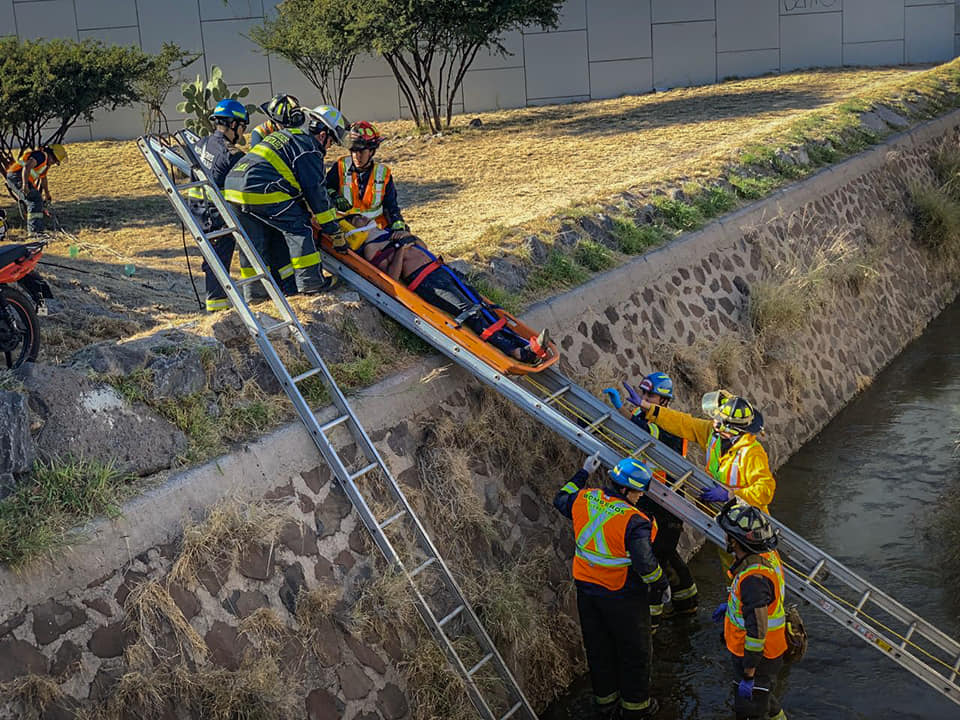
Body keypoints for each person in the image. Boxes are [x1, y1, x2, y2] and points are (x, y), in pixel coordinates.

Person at [336, 216, 549, 364]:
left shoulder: (391, 233)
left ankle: (526, 345)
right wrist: (401, 249)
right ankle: (517, 352)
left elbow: (423, 247)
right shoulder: (371, 248)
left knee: (483, 307)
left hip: (440, 270)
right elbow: (390, 277)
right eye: (357, 220)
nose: (364, 218)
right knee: (470, 313)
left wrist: (409, 239)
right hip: (426, 282)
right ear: (353, 230)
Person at [554, 454, 668, 719]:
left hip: (586, 590)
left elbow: (560, 498)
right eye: (638, 492)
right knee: (635, 652)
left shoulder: (584, 498)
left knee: (598, 648)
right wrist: (661, 586)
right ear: (626, 489)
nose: (640, 497)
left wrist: (582, 473)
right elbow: (647, 566)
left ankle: (605, 704)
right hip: (621, 593)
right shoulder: (636, 521)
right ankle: (636, 709)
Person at [603, 372, 698, 627]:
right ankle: (687, 602)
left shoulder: (671, 427)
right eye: (643, 393)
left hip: (668, 501)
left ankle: (651, 623)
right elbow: (638, 424)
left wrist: (623, 411)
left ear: (664, 401)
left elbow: (642, 431)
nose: (644, 398)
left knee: (657, 558)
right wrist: (622, 408)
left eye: (649, 395)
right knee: (665, 553)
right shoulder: (651, 419)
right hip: (652, 495)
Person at [224, 104, 347, 300]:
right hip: (260, 188)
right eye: (331, 142)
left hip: (232, 187)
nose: (329, 147)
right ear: (323, 135)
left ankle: (255, 294)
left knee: (253, 243)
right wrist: (333, 230)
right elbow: (316, 194)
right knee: (300, 227)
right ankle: (311, 283)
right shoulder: (310, 150)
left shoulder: (290, 136)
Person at [635, 388, 775, 513]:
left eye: (718, 420)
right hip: (719, 513)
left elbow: (765, 490)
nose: (714, 422)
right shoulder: (713, 433)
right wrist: (649, 408)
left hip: (746, 519)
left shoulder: (752, 453)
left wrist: (731, 495)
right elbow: (683, 423)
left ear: (730, 428)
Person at [712, 500, 787, 720]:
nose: (725, 538)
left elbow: (757, 632)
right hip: (767, 653)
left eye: (727, 535)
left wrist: (749, 673)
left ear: (735, 541)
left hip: (758, 657)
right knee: (766, 700)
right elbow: (760, 605)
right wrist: (732, 608)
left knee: (749, 711)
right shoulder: (762, 559)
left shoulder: (753, 579)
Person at [186, 99, 248, 312]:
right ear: (233, 124)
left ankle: (214, 304)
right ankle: (217, 309)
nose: (242, 132)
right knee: (219, 262)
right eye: (242, 126)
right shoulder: (232, 154)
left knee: (211, 260)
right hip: (218, 215)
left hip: (197, 211)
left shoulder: (199, 144)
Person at [325, 121, 407, 231]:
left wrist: (398, 225)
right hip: (348, 228)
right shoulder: (341, 166)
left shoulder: (383, 174)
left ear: (372, 151)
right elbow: (324, 188)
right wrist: (335, 196)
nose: (357, 156)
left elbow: (391, 206)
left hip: (377, 229)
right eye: (354, 151)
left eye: (362, 151)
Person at [5, 144, 67, 235]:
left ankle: (37, 230)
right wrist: (25, 185)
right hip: (16, 176)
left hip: (19, 177)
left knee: (37, 200)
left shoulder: (45, 163)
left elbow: (43, 178)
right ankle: (35, 232)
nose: (53, 163)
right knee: (34, 200)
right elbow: (27, 167)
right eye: (54, 161)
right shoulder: (41, 156)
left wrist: (47, 194)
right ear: (51, 155)